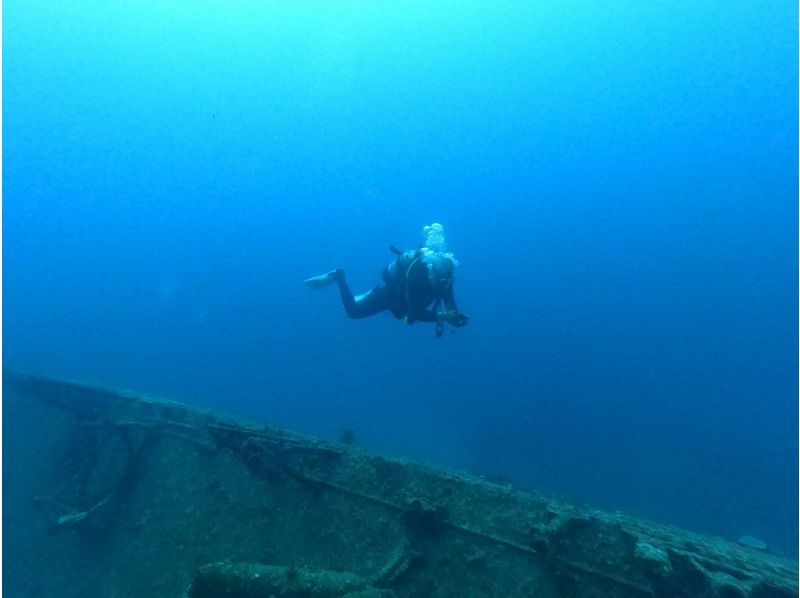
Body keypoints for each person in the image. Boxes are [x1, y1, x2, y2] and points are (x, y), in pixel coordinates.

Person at [304, 223, 469, 337]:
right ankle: (339, 277)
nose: (447, 282)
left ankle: (368, 293)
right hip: (390, 297)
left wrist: (454, 315)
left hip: (403, 302)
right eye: (444, 279)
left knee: (364, 306)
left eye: (448, 279)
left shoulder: (445, 278)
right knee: (353, 313)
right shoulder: (418, 277)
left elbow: (450, 303)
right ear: (434, 273)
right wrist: (441, 316)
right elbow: (411, 314)